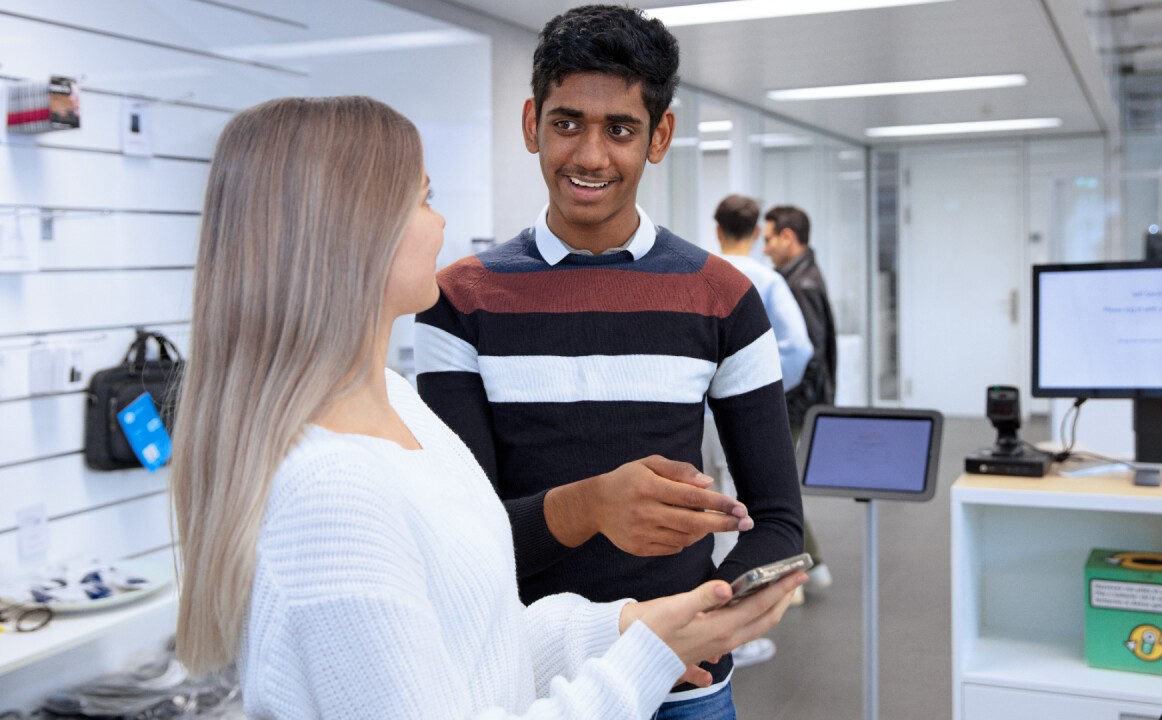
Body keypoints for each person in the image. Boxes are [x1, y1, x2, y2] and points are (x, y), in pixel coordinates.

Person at [169, 96, 806, 719]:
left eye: (619, 128)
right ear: (351, 230)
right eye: (423, 199)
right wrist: (645, 653)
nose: (440, 223)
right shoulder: (331, 490)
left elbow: (479, 641)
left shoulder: (398, 404)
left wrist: (626, 625)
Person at [415, 6, 805, 717]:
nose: (590, 156)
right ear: (533, 124)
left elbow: (778, 519)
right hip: (525, 683)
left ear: (660, 137)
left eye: (619, 129)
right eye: (568, 123)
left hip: (683, 688)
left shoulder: (724, 298)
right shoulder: (457, 301)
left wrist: (702, 626)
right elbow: (464, 543)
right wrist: (589, 508)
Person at [704, 194, 813, 669]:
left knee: (698, 510)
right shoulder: (766, 279)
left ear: (717, 228)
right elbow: (800, 348)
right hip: (737, 418)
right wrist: (760, 397)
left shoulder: (698, 272)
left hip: (695, 419)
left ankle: (690, 618)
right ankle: (730, 632)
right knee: (739, 513)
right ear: (756, 233)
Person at [762, 204, 837, 590]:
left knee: (776, 488)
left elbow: (807, 354)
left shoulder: (800, 285)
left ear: (788, 237)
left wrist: (785, 403)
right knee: (780, 484)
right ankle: (810, 566)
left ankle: (810, 567)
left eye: (770, 238)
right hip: (800, 404)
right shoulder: (799, 277)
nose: (766, 248)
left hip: (794, 406)